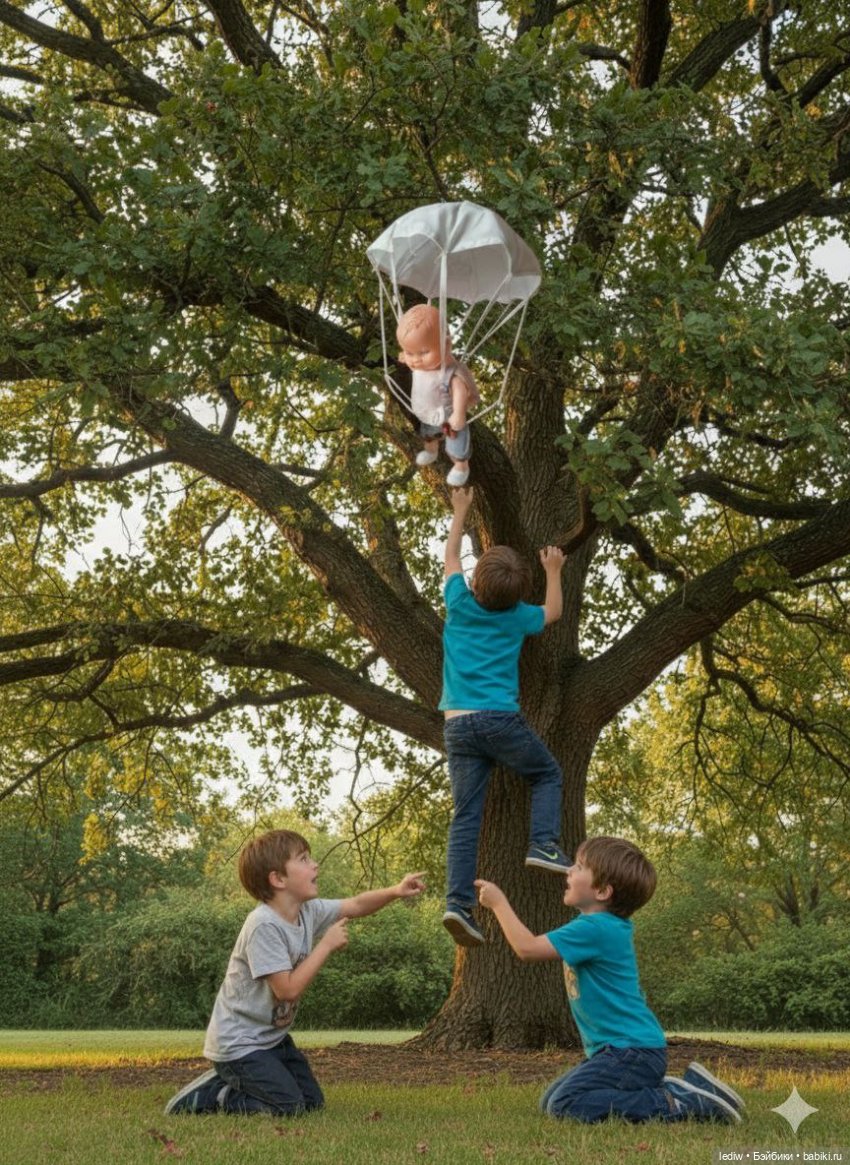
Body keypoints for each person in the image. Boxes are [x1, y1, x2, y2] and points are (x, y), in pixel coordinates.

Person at [475, 836, 746, 1124]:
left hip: (630, 1051)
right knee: (550, 1102)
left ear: (603, 891)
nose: (568, 870)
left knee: (565, 1104)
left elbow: (527, 948)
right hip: (626, 1051)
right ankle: (672, 1089)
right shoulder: (604, 926)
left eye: (579, 867)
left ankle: (678, 1103)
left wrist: (499, 903)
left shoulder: (595, 928)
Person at [164, 829, 425, 1116]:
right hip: (238, 1045)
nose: (315, 865)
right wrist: (325, 945)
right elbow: (286, 990)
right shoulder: (264, 926)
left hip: (271, 1040)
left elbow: (356, 904)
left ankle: (238, 1083)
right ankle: (215, 1095)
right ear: (278, 879)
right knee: (289, 1107)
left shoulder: (307, 910)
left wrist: (395, 891)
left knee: (312, 1103)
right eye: (303, 859)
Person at [440, 484, 570, 947]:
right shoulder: (517, 617)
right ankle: (543, 843)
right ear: (518, 596)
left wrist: (460, 511)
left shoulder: (457, 602)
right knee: (547, 773)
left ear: (476, 583)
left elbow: (451, 557)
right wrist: (553, 569)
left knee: (466, 817)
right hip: (499, 720)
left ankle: (458, 904)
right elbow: (553, 612)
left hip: (458, 725)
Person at [397, 303, 479, 487]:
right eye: (410, 352)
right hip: (427, 413)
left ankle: (461, 465)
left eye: (424, 352)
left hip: (449, 416)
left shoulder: (449, 371)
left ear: (446, 345)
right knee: (428, 434)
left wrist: (459, 413)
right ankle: (431, 450)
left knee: (456, 445)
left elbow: (460, 390)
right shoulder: (418, 363)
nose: (416, 359)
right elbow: (411, 358)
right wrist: (405, 357)